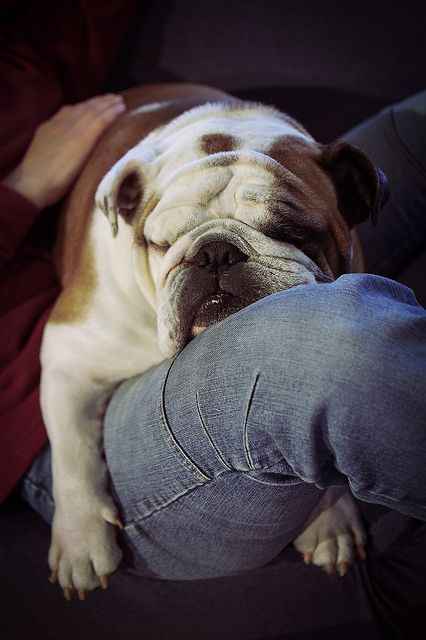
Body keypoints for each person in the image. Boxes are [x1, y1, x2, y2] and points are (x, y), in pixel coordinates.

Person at [1, 86, 425, 594]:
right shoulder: (107, 287)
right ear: (126, 212)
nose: (218, 267)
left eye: (284, 230)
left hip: (234, 163)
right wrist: (20, 192)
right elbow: (68, 366)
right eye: (173, 242)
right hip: (29, 418)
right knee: (331, 340)